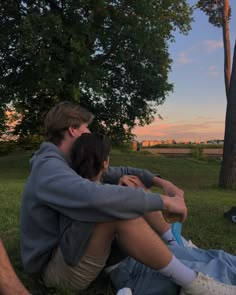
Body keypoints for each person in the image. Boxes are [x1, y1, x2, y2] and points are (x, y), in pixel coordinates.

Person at [20, 101, 236, 295]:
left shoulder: (66, 161)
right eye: (87, 128)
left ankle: (174, 243)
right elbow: (95, 198)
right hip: (54, 269)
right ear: (73, 130)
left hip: (69, 249)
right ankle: (196, 284)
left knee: (127, 185)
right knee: (117, 212)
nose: (90, 133)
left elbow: (113, 171)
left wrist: (162, 183)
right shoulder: (49, 168)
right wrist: (165, 202)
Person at [69, 133, 236, 295]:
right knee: (213, 271)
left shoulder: (72, 190)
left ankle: (178, 244)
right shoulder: (105, 196)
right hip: (129, 268)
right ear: (105, 163)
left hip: (140, 257)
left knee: (218, 258)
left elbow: (124, 174)